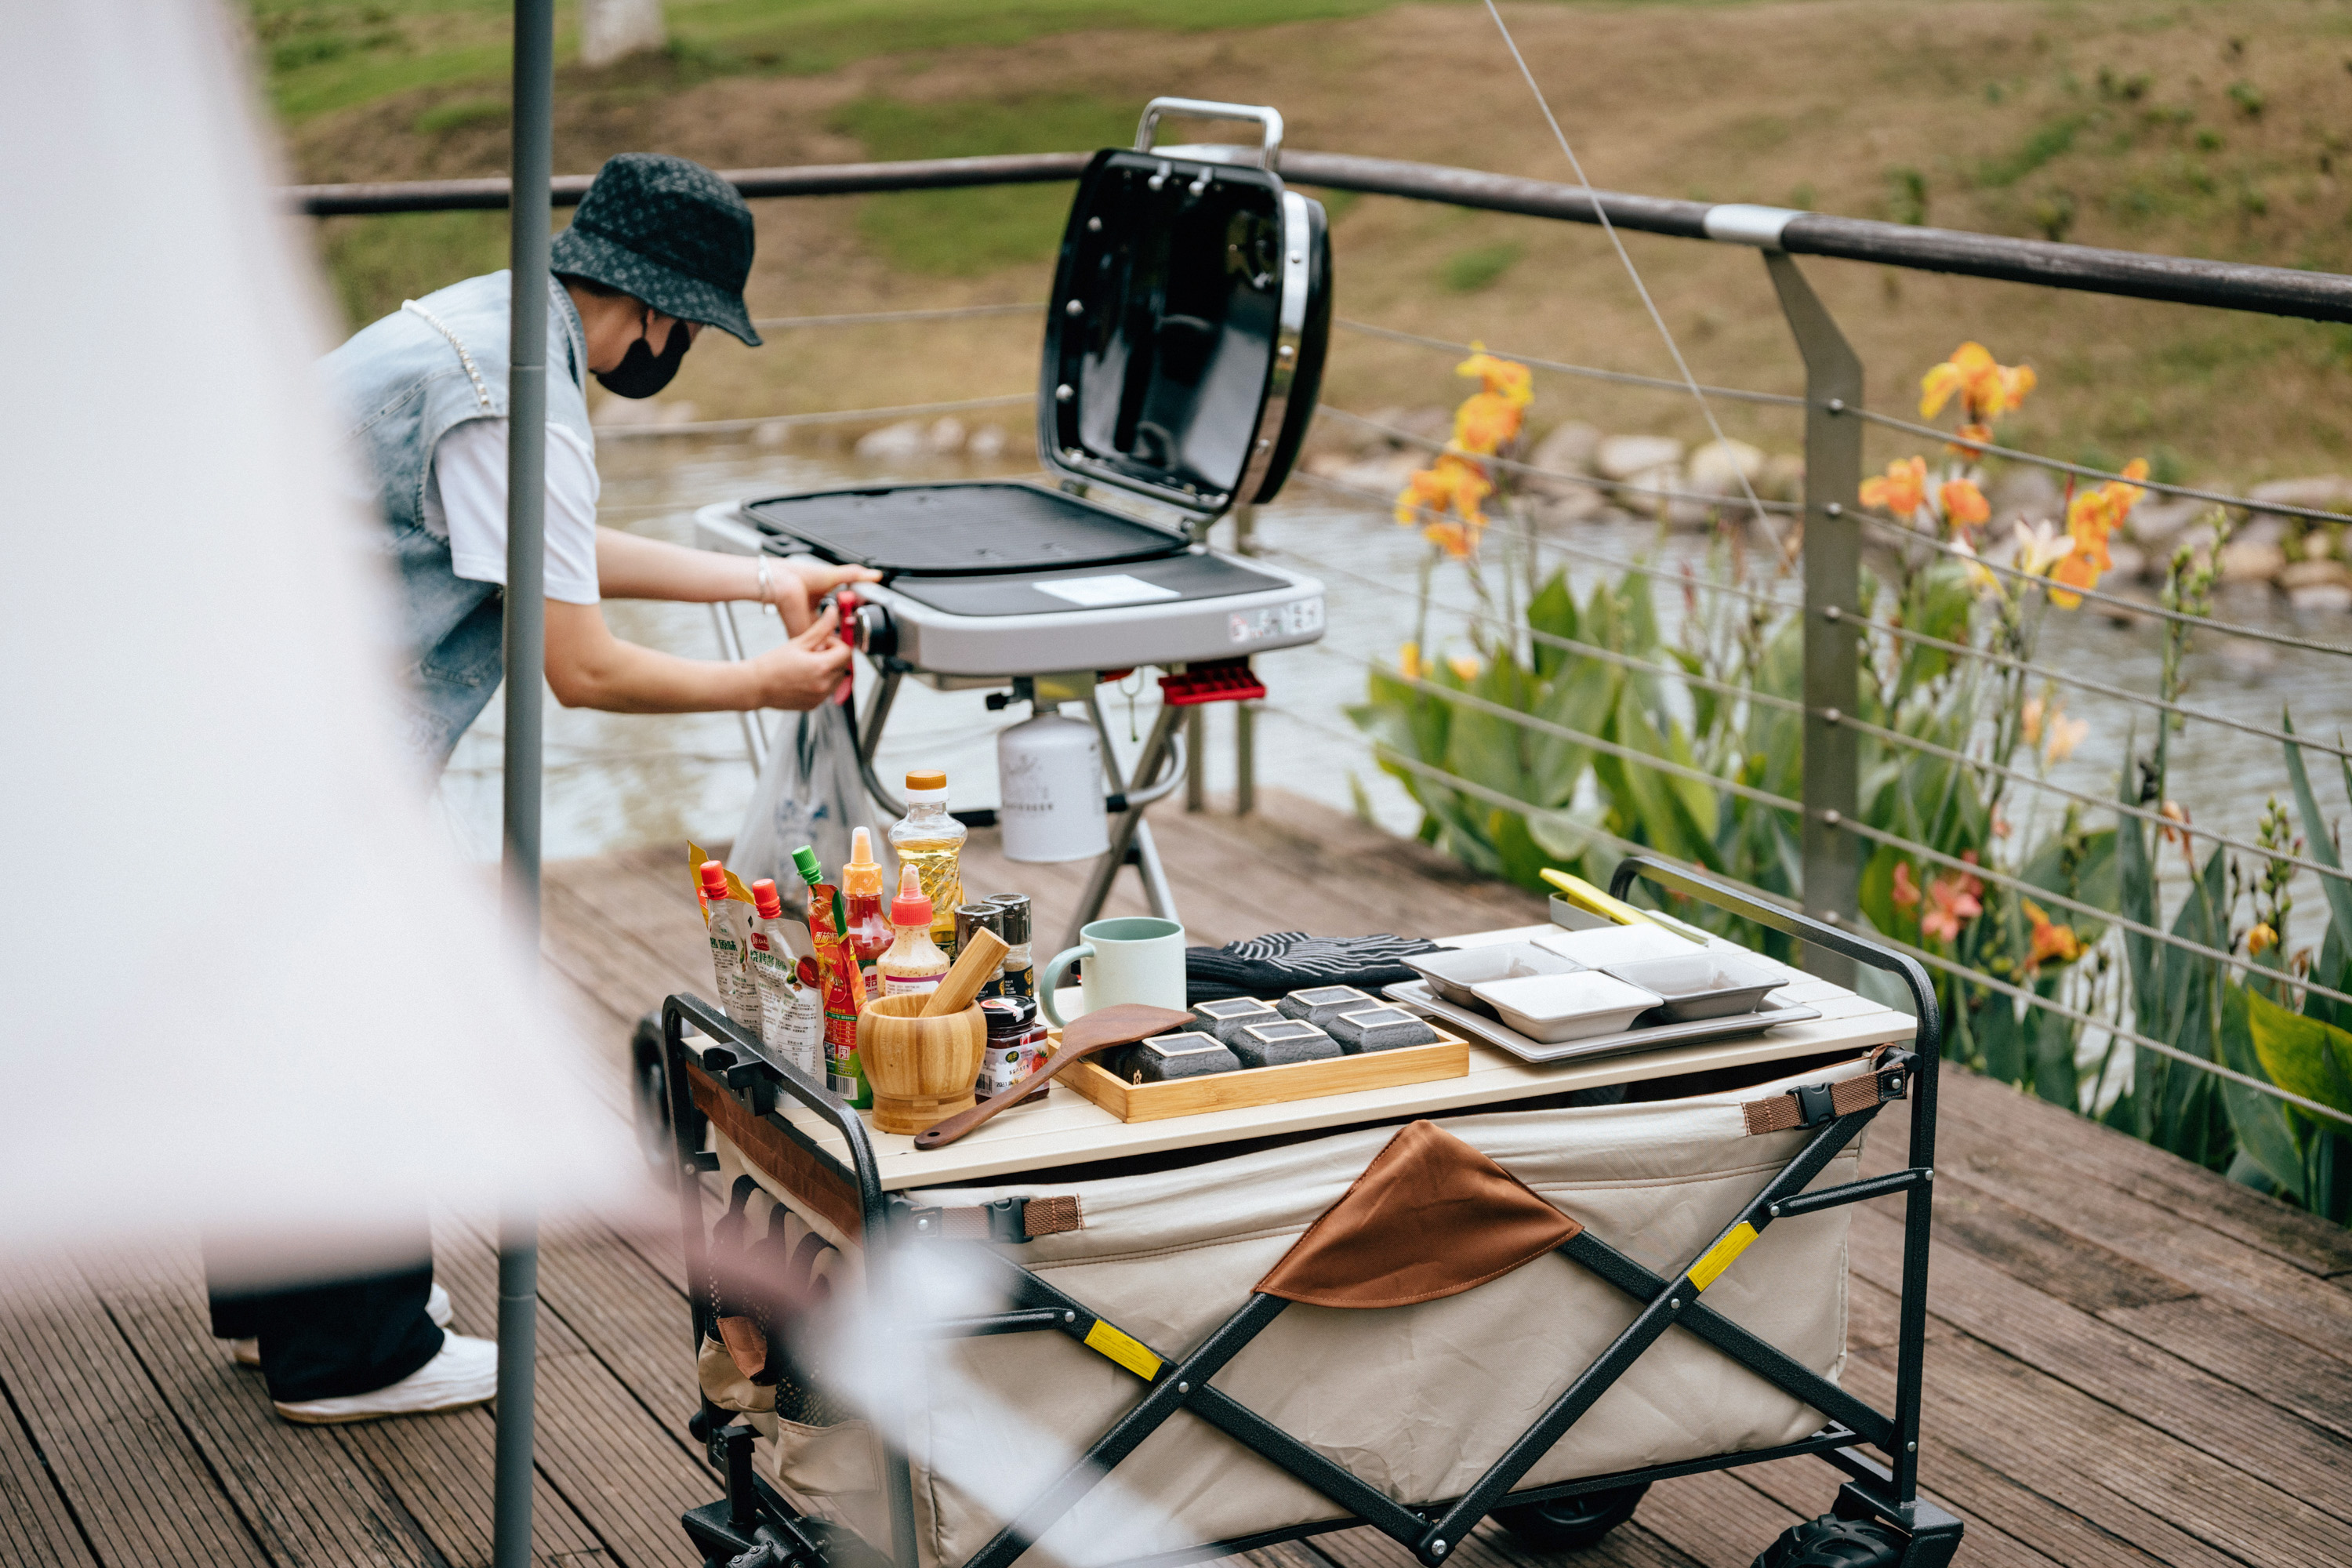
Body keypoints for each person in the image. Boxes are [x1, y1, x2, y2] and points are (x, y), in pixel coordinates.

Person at [209, 151, 875, 1425]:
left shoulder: (486, 326)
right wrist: (769, 686)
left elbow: (545, 546)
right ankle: (355, 1351)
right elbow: (584, 668)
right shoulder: (511, 398)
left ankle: (280, 1306)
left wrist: (755, 585)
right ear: (666, 319)